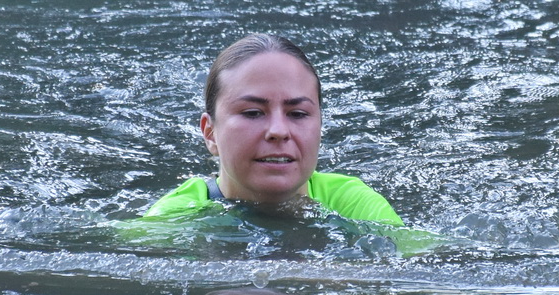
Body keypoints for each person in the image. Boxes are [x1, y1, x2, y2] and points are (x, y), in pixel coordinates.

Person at [142, 33, 402, 225]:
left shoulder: (351, 204)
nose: (278, 131)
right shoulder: (175, 217)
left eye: (297, 114)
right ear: (210, 133)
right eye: (253, 113)